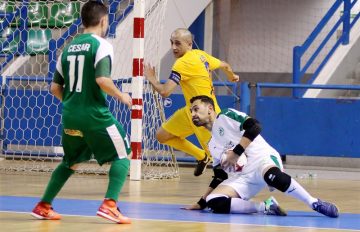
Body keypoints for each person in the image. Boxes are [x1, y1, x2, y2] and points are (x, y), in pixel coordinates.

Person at [31, 1, 132, 224]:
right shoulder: (102, 45)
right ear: (104, 20)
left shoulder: (67, 47)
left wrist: (73, 101)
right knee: (124, 153)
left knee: (71, 162)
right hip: (94, 114)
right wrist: (122, 96)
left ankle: (43, 205)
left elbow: (55, 88)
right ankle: (110, 205)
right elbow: (102, 79)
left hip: (70, 114)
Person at [184, 95, 339, 218]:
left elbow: (255, 126)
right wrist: (202, 202)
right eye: (191, 111)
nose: (193, 114)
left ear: (210, 108)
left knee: (273, 176)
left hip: (261, 159)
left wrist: (236, 153)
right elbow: (219, 176)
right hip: (243, 177)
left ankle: (314, 203)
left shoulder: (225, 116)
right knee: (214, 201)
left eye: (196, 109)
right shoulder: (211, 144)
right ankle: (265, 206)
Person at [144, 28, 239, 176]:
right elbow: (225, 65)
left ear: (189, 44)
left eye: (178, 43)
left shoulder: (182, 63)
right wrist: (231, 76)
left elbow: (165, 91)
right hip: (191, 111)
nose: (173, 47)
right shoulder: (201, 55)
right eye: (171, 43)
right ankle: (202, 156)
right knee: (162, 136)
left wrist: (151, 78)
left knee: (222, 161)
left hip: (206, 116)